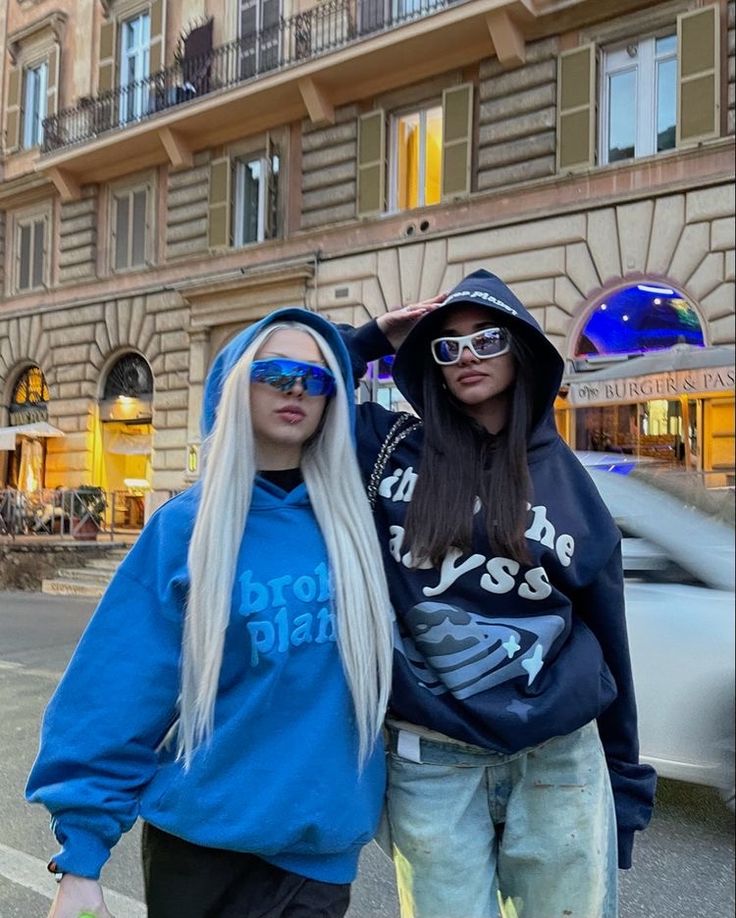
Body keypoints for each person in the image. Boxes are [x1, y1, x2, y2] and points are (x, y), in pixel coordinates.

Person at [26, 308, 394, 918]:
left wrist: (380, 340)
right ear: (235, 385)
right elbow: (115, 691)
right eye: (274, 372)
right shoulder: (186, 528)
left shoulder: (360, 526)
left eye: (316, 377)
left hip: (316, 858)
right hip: (198, 853)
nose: (296, 388)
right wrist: (81, 860)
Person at [343, 269, 657, 918]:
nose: (467, 356)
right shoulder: (389, 448)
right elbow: (265, 392)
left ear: (520, 349)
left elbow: (609, 636)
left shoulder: (567, 482)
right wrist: (373, 337)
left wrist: (625, 787)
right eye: (447, 345)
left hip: (558, 760)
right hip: (431, 758)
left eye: (487, 339)